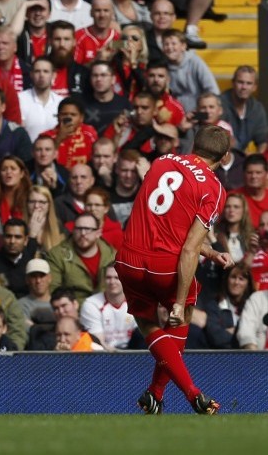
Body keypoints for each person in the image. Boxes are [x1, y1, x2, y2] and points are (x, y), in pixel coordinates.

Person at [115, 124, 233, 415]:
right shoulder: (214, 188)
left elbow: (166, 219)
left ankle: (154, 395)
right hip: (166, 265)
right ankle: (193, 393)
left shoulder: (162, 161)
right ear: (226, 156)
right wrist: (179, 303)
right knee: (183, 316)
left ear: (194, 144)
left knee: (146, 323)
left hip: (128, 258)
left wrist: (212, 252)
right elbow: (190, 247)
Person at [45, 211, 117, 304]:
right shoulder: (57, 255)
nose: (83, 233)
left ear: (98, 233)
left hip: (108, 308)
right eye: (79, 229)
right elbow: (54, 290)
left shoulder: (112, 255)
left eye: (88, 229)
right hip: (73, 309)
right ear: (73, 231)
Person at [79, 265, 137, 349]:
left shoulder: (136, 301)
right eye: (108, 278)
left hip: (135, 353)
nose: (112, 282)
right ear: (103, 281)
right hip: (105, 356)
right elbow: (99, 343)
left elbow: (142, 336)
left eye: (117, 278)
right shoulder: (91, 304)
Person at [221, 66, 267, 153]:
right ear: (233, 83)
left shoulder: (257, 108)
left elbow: (262, 141)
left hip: (242, 160)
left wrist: (256, 159)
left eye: (249, 83)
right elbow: (221, 140)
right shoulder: (218, 104)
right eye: (240, 82)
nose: (244, 87)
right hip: (220, 158)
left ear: (255, 87)